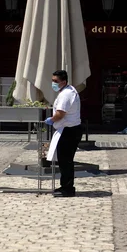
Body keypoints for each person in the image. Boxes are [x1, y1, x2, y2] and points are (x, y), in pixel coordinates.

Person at [45, 70, 82, 198]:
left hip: (69, 130)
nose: (53, 83)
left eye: (56, 81)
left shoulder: (66, 94)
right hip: (69, 129)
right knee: (64, 160)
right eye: (52, 80)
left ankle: (68, 188)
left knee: (65, 161)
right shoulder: (67, 91)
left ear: (64, 82)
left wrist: (51, 120)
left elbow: (60, 113)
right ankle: (65, 185)